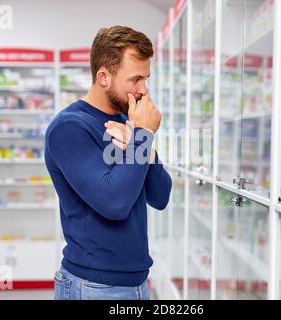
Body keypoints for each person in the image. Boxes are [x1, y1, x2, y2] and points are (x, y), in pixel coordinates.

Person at [45, 26, 172, 300]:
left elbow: (161, 196)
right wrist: (144, 136)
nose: (143, 90)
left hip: (138, 283)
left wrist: (143, 142)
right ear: (103, 76)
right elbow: (114, 203)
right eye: (135, 79)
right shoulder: (69, 128)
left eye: (146, 79)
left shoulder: (130, 124)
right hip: (92, 287)